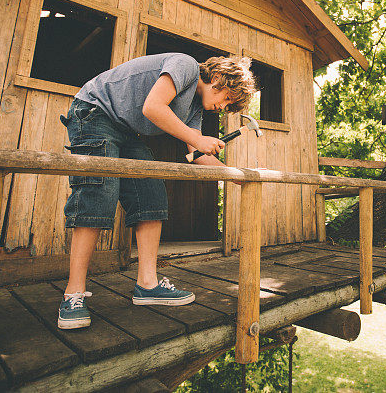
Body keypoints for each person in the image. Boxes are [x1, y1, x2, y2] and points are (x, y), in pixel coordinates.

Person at [57, 53, 256, 329]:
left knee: (151, 193)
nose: (222, 107)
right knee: (98, 192)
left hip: (125, 130)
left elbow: (197, 154)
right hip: (94, 112)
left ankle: (147, 286)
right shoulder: (185, 65)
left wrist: (236, 176)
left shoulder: (195, 109)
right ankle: (73, 294)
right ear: (220, 79)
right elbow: (153, 107)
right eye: (226, 99)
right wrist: (196, 137)